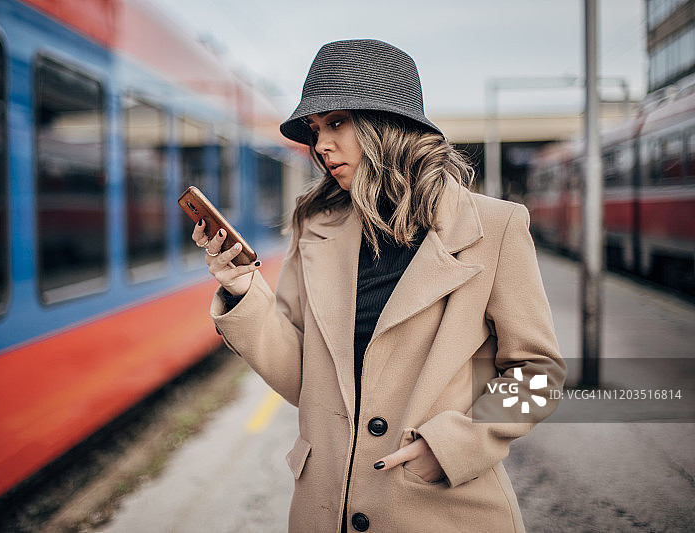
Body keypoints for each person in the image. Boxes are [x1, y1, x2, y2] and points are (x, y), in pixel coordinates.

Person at [192, 39, 566, 533]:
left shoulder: (494, 228)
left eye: (337, 122)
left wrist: (455, 444)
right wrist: (245, 291)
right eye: (316, 129)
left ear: (388, 125)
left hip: (444, 512)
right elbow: (303, 380)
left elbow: (538, 375)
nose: (321, 145)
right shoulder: (315, 225)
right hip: (326, 512)